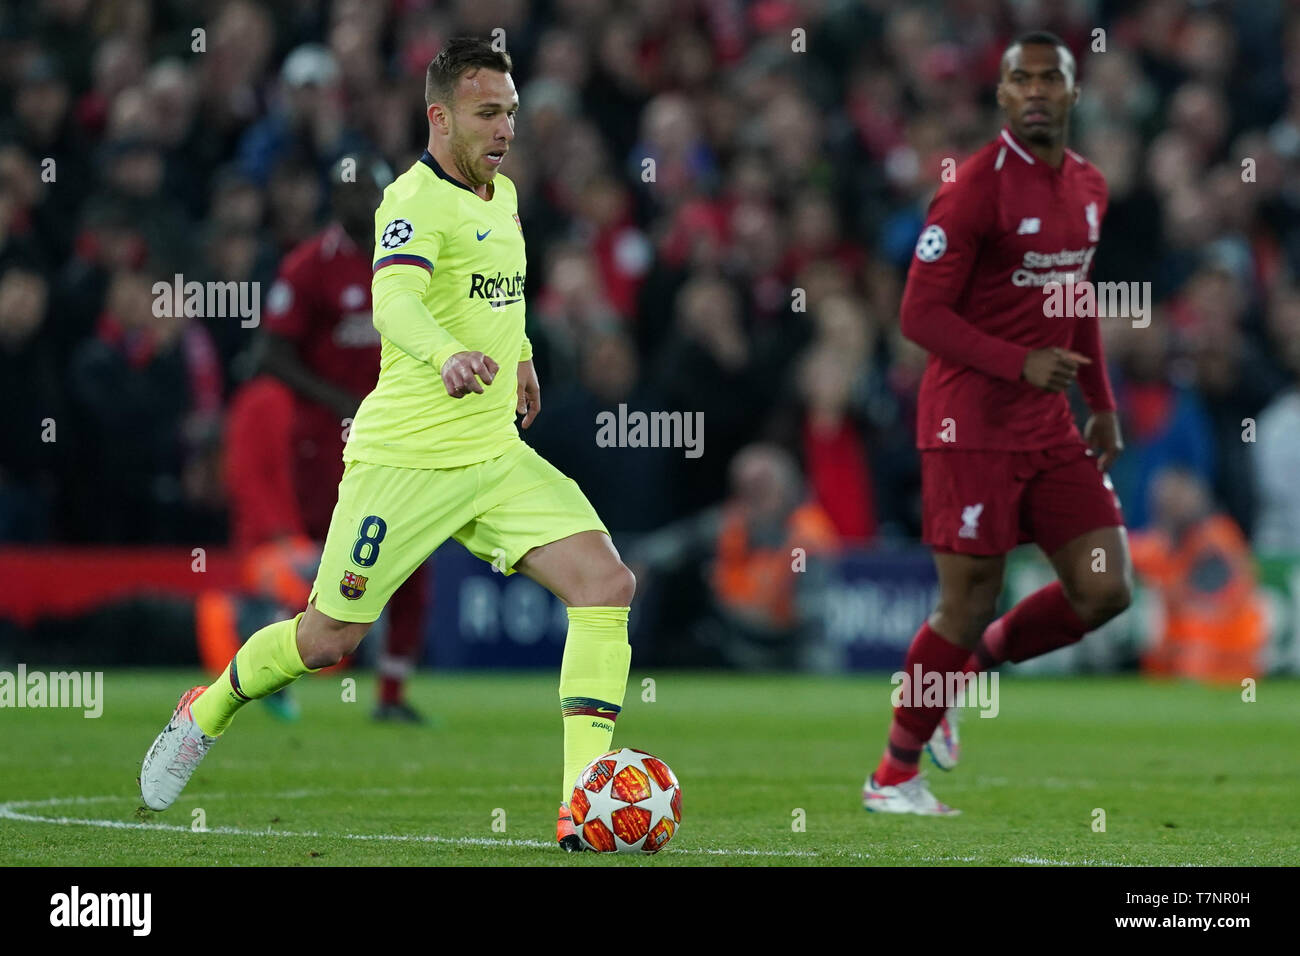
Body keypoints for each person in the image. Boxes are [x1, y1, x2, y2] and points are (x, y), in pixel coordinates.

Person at [141, 38, 636, 853]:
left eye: (510, 112)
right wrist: (448, 357)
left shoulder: (503, 197)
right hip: (404, 461)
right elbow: (394, 302)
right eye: (487, 113)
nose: (505, 128)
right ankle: (209, 706)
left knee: (606, 584)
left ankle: (582, 806)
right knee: (328, 640)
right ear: (439, 117)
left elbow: (497, 295)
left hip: (493, 456)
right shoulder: (409, 201)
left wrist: (521, 359)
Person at [864, 32, 1133, 815]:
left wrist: (1104, 402)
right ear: (1004, 96)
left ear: (1075, 93)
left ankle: (965, 673)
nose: (1039, 91)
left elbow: (1072, 296)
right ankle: (893, 774)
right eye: (1024, 80)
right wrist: (1018, 364)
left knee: (1104, 590)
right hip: (969, 423)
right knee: (966, 599)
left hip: (1049, 423)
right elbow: (919, 313)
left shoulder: (1089, 186)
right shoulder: (974, 188)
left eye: (1054, 78)